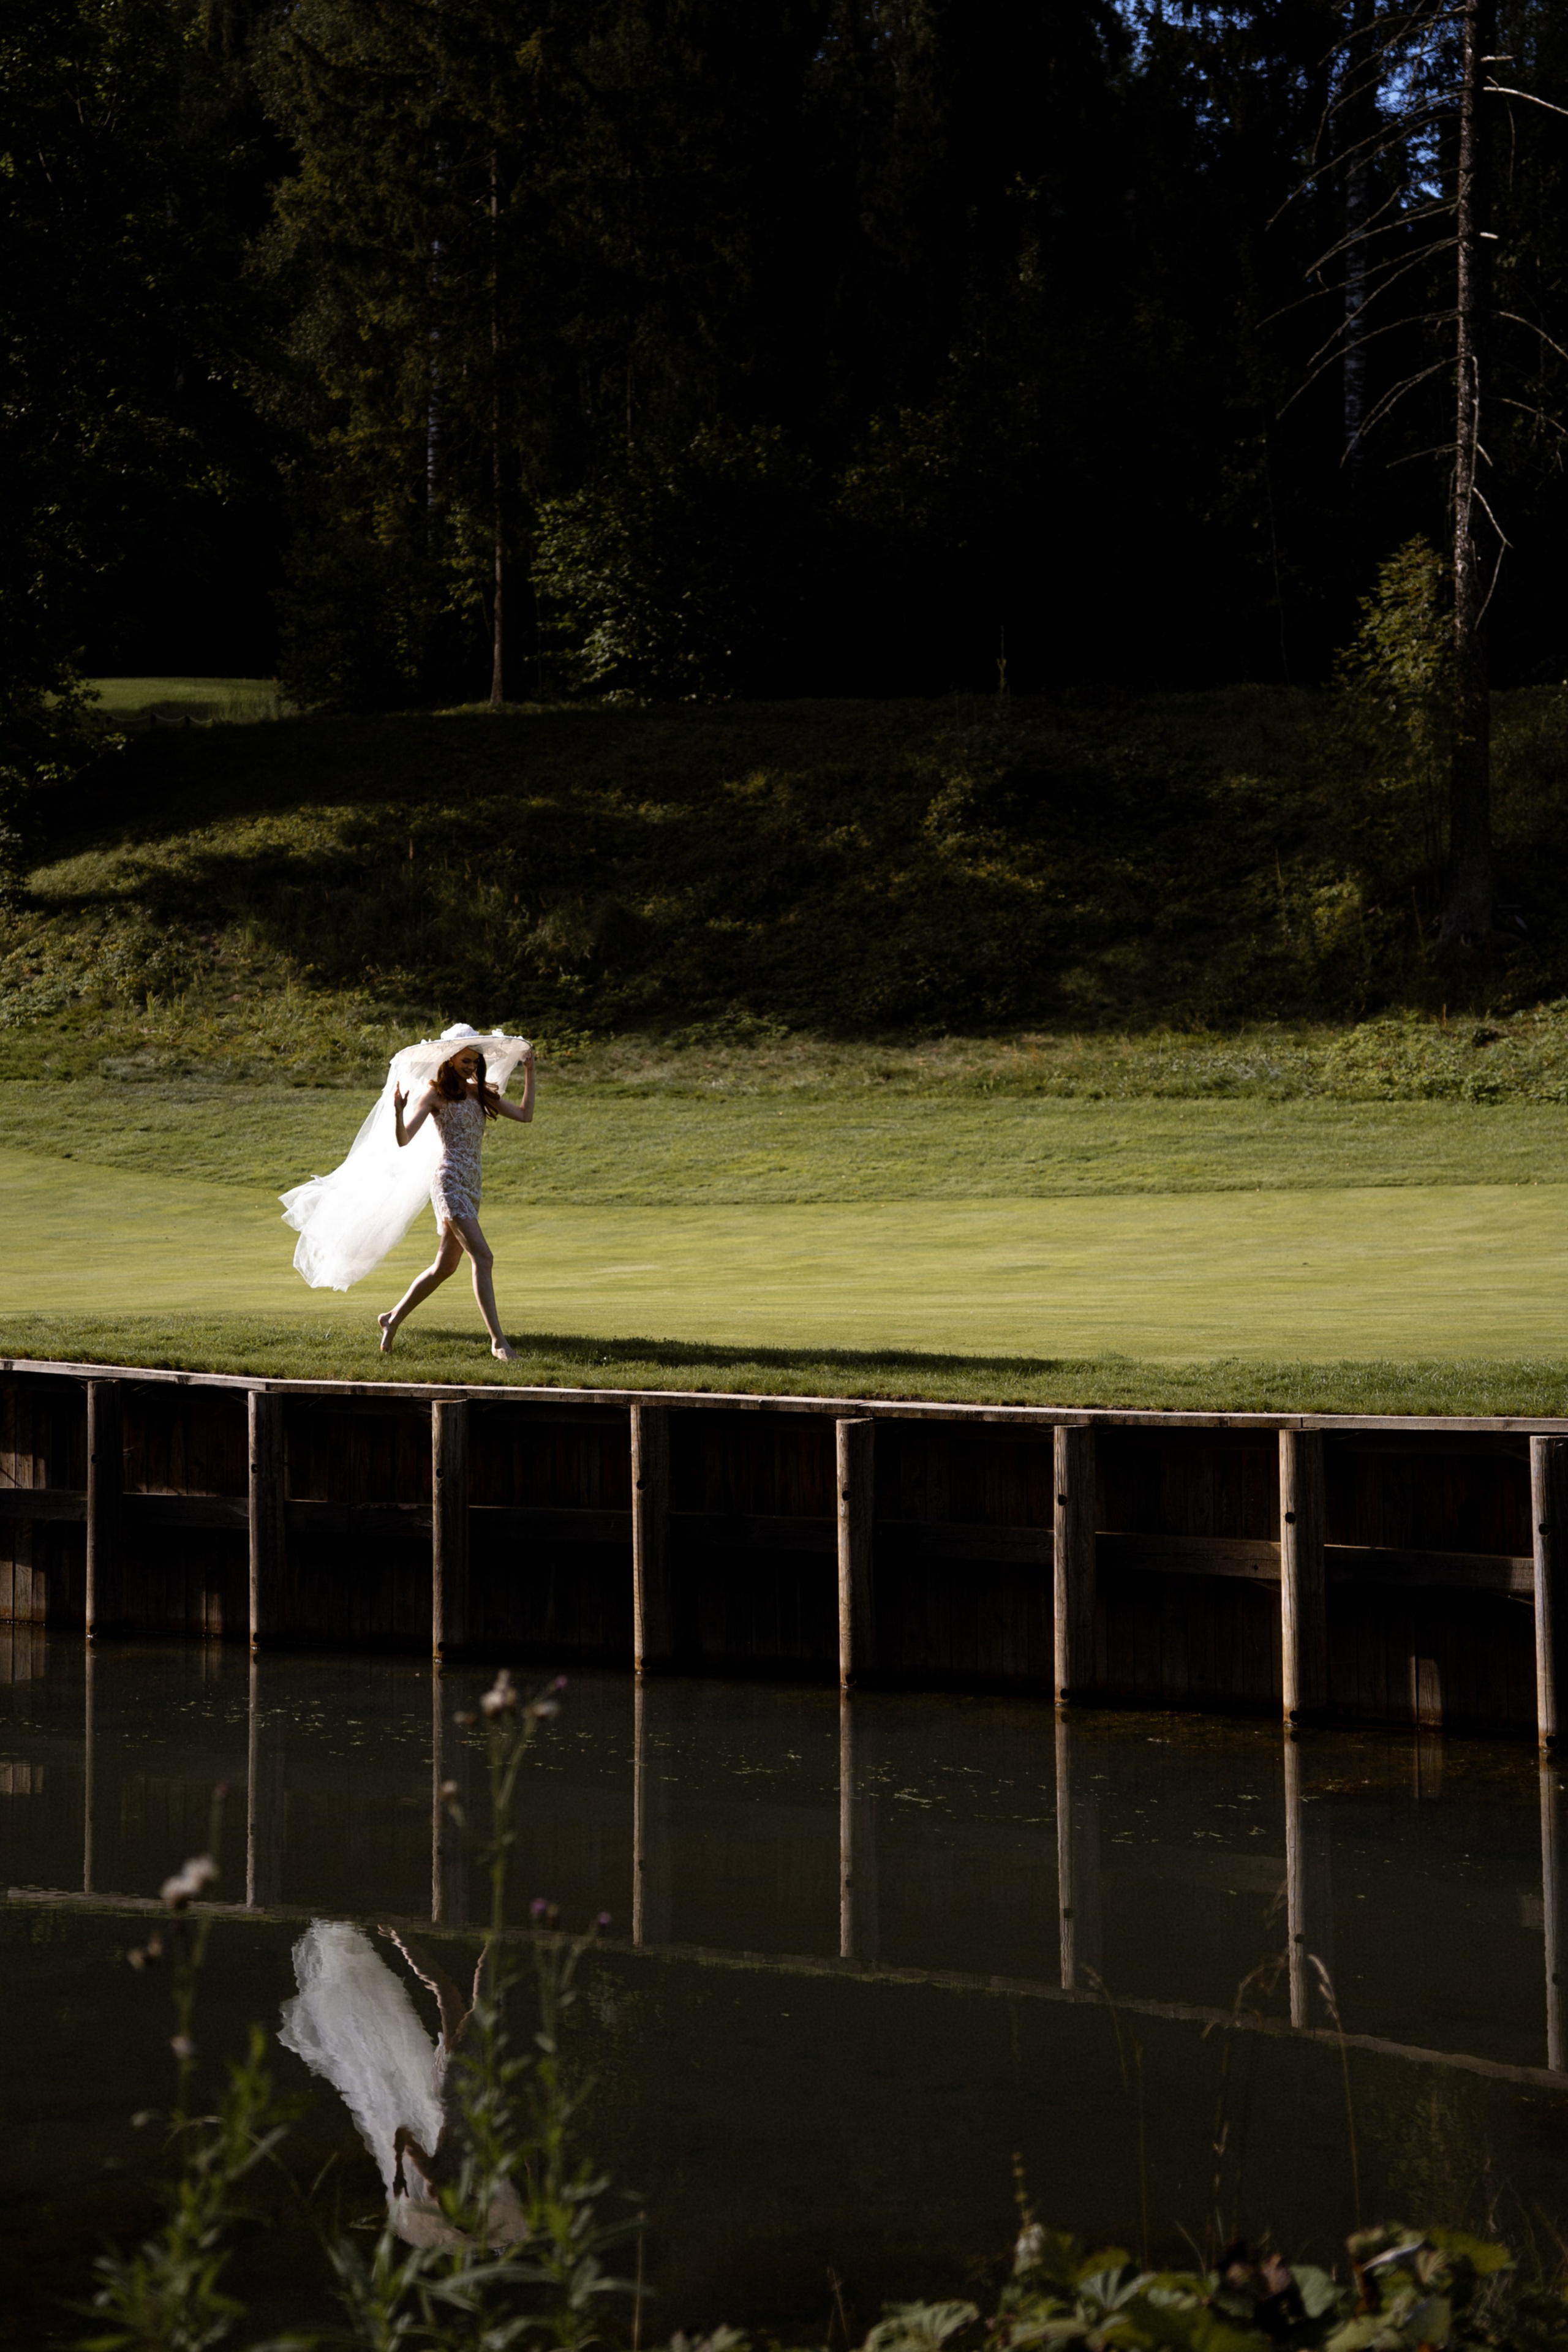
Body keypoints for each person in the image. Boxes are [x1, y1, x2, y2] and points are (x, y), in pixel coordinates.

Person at [377, 1038, 535, 1360]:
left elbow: (525, 1115)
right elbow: (404, 1139)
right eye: (466, 1061)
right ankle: (498, 1343)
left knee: (445, 1267)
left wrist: (530, 1072)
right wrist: (398, 1112)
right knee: (484, 1258)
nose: (471, 1066)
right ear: (450, 1060)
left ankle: (392, 1319)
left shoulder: (479, 1093)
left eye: (475, 1062)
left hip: (472, 1185)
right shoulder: (434, 1096)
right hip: (448, 1183)